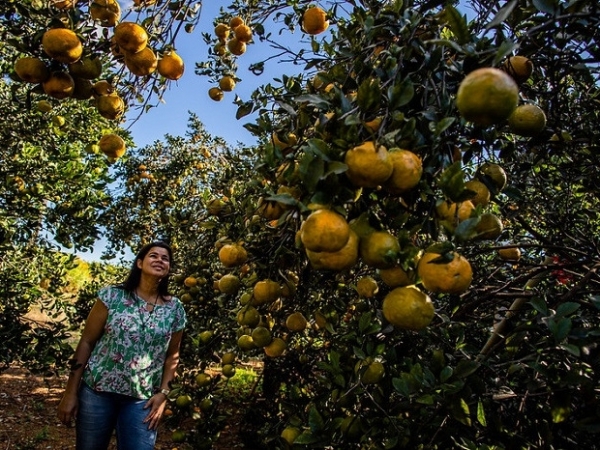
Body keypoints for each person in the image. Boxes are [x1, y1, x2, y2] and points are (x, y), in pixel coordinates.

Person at [57, 241, 187, 450]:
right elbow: (86, 342)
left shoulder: (175, 308)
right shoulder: (112, 296)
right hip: (97, 393)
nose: (160, 260)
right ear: (139, 263)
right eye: (153, 255)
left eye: (165, 258)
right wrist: (70, 392)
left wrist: (164, 394)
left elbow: (173, 355)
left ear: (169, 268)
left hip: (142, 400)